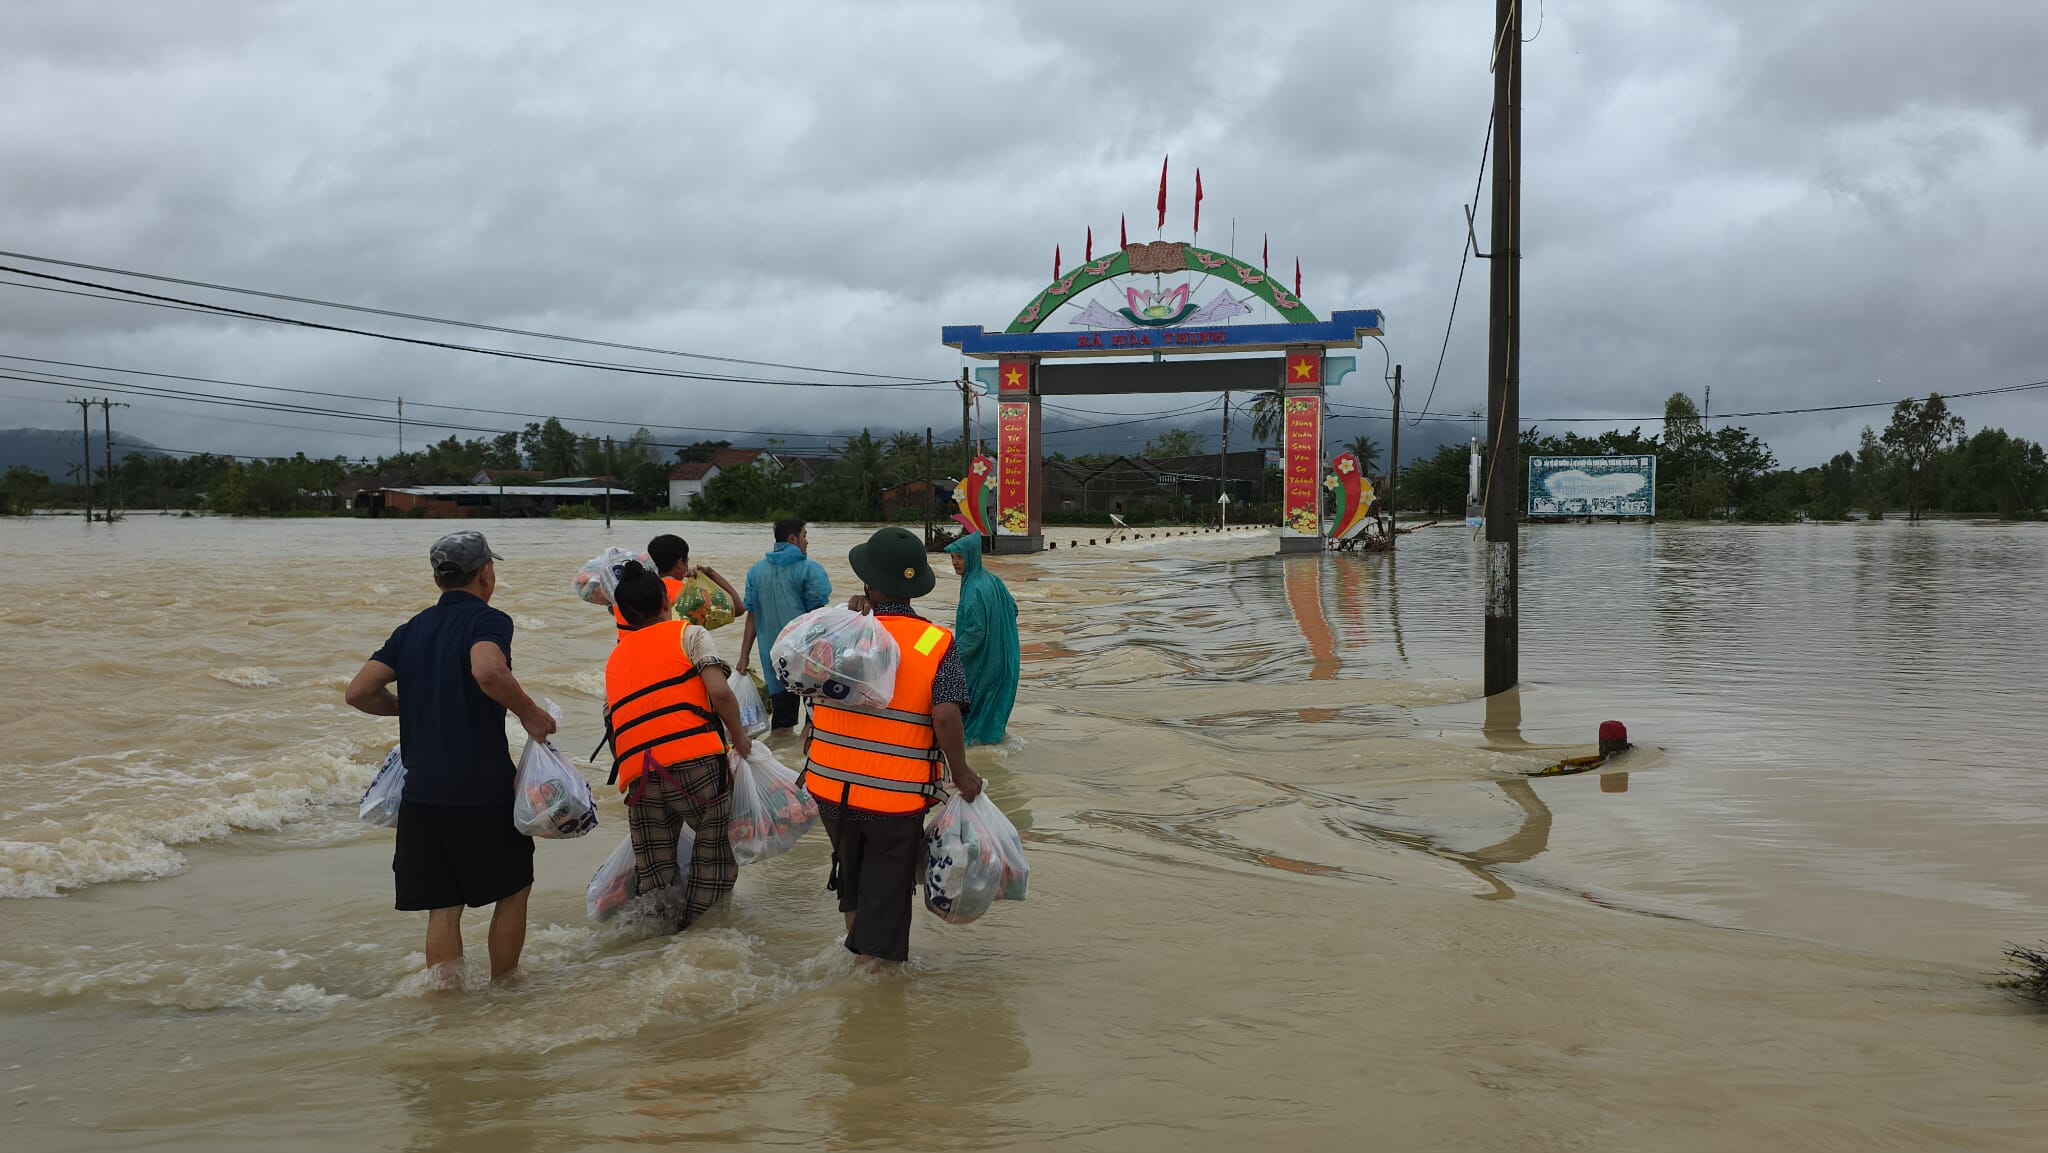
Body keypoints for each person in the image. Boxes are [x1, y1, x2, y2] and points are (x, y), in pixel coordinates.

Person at [344, 531, 557, 985]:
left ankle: (446, 1009)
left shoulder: (411, 630)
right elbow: (487, 669)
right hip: (480, 787)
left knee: (443, 905)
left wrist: (409, 704)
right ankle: (505, 991)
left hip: (420, 796)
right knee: (514, 888)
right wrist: (530, 714)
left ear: (438, 578)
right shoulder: (488, 620)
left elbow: (359, 692)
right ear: (485, 573)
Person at [801, 526, 983, 963]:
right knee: (887, 892)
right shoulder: (936, 642)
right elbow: (945, 714)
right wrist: (961, 774)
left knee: (853, 876)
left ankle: (856, 961)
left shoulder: (841, 632)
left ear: (867, 582)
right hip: (892, 797)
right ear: (915, 586)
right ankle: (873, 993)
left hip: (828, 786)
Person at [602, 561, 752, 930]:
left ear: (626, 615)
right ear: (667, 604)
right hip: (696, 765)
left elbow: (613, 722)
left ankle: (658, 939)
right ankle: (701, 935)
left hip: (639, 777)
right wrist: (740, 738)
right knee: (711, 854)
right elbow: (719, 692)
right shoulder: (690, 635)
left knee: (653, 871)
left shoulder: (614, 659)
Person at [734, 518, 832, 730]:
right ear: (792, 539)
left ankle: (781, 756)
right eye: (805, 536)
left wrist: (743, 657)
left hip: (775, 661)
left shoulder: (756, 572)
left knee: (781, 726)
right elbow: (819, 615)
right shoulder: (810, 570)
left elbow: (752, 615)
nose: (807, 542)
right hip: (808, 660)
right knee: (815, 723)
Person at [943, 533, 1020, 746]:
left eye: (960, 557)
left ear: (972, 556)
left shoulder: (972, 589)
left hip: (983, 667)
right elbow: (1013, 609)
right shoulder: (994, 581)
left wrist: (949, 656)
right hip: (1005, 662)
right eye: (952, 558)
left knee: (969, 727)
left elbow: (975, 633)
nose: (955, 563)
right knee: (990, 724)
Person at [610, 534, 741, 640]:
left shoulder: (624, 589)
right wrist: (710, 574)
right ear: (679, 563)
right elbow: (739, 608)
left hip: (625, 659)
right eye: (686, 561)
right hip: (667, 663)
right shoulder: (688, 594)